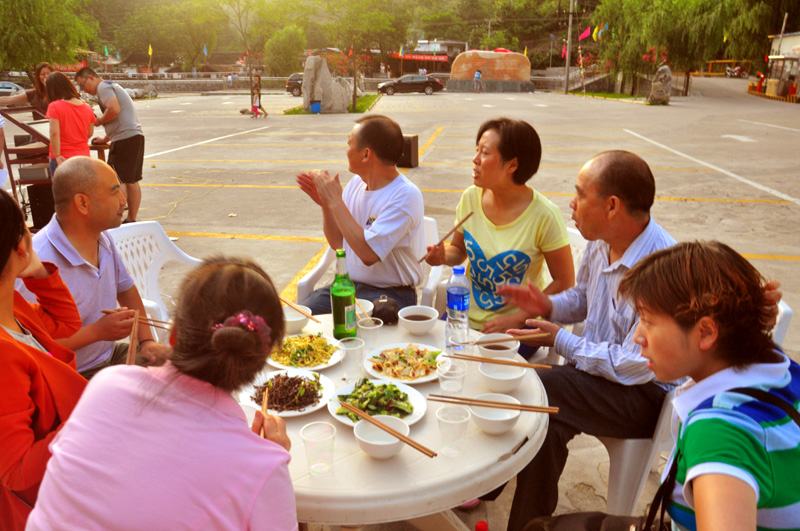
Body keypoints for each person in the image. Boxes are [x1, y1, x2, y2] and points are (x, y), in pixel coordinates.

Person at [27, 257, 298, 530]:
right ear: (263, 356)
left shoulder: (105, 385)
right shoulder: (263, 468)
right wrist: (262, 462)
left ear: (173, 335)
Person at [491, 150, 677, 530]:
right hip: (597, 378)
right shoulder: (600, 240)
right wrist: (546, 304)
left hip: (643, 393)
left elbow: (635, 365)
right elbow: (583, 299)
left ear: (612, 206)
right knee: (546, 424)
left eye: (579, 194)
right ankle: (528, 524)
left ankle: (487, 484)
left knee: (539, 384)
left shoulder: (661, 266)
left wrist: (561, 341)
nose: (571, 204)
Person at [618, 241, 799, 530]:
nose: (638, 336)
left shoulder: (720, 434)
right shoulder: (782, 371)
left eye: (647, 321)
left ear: (705, 332)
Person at [424, 118, 574, 334]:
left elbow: (565, 281)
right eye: (476, 151)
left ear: (512, 165)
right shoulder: (471, 198)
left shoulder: (544, 215)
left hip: (515, 329)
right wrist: (442, 256)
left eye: (484, 153)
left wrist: (519, 318)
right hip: (463, 314)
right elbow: (458, 251)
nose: (475, 160)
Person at [27, 157, 169, 378]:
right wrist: (97, 332)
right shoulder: (37, 265)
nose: (124, 200)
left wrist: (147, 340)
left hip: (108, 355)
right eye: (114, 192)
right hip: (69, 374)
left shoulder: (102, 238)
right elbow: (32, 345)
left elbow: (126, 290)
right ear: (83, 203)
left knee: (178, 371)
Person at [0, 189, 86, 531]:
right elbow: (17, 471)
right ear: (20, 246)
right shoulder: (4, 355)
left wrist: (38, 274)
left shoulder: (14, 309)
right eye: (25, 229)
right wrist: (93, 416)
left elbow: (66, 324)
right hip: (38, 510)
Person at [297, 114, 424, 314]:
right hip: (350, 286)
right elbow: (338, 243)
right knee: (301, 318)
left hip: (391, 294)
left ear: (365, 154)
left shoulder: (405, 195)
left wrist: (336, 202)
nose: (346, 150)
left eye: (349, 144)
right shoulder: (356, 184)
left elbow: (368, 254)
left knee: (367, 326)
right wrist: (327, 206)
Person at [74, 67, 145, 223]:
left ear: (91, 78)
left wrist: (98, 121)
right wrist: (106, 138)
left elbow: (114, 109)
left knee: (117, 180)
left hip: (125, 139)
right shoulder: (110, 86)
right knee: (131, 180)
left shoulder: (103, 88)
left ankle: (115, 217)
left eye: (82, 84)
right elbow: (119, 118)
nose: (83, 89)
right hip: (134, 136)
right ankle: (131, 218)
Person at [44, 72, 95, 176]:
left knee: (62, 191)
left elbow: (54, 133)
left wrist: (57, 155)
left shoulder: (54, 106)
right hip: (84, 156)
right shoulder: (87, 107)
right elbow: (89, 133)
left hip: (63, 158)